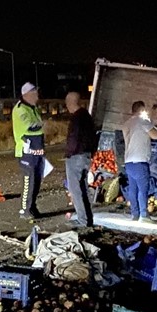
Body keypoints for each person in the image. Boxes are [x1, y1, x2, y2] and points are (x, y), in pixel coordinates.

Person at [11, 82, 45, 221]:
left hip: (36, 151)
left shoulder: (33, 108)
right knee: (28, 181)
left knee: (36, 181)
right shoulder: (20, 109)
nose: (37, 95)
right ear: (27, 94)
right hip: (26, 151)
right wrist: (44, 126)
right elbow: (31, 128)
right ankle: (25, 210)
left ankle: (32, 207)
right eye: (35, 93)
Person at [63, 91, 97, 228]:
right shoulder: (87, 117)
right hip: (86, 156)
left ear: (71, 103)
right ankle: (88, 218)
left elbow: (74, 139)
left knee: (75, 189)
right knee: (82, 188)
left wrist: (68, 153)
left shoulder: (76, 118)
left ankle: (83, 220)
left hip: (76, 156)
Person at [121, 101, 157, 223]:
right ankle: (144, 214)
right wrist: (152, 123)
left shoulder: (127, 124)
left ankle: (134, 214)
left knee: (133, 189)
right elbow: (155, 135)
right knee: (143, 188)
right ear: (141, 110)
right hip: (140, 160)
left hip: (129, 161)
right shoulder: (142, 122)